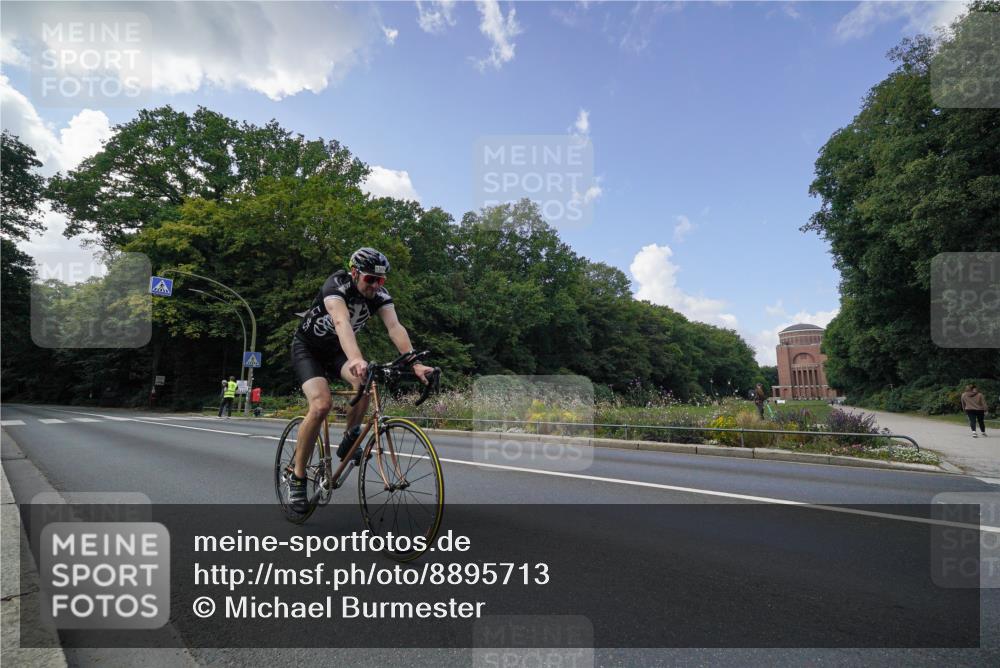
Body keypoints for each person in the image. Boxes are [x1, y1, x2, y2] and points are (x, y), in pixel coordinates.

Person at [287, 248, 434, 513]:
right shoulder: (337, 284)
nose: (375, 286)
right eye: (370, 279)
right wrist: (356, 358)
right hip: (308, 349)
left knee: (366, 380)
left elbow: (395, 327)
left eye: (381, 281)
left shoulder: (379, 295)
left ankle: (349, 437)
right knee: (321, 406)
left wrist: (414, 363)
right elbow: (342, 321)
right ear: (355, 273)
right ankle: (297, 477)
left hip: (336, 352)